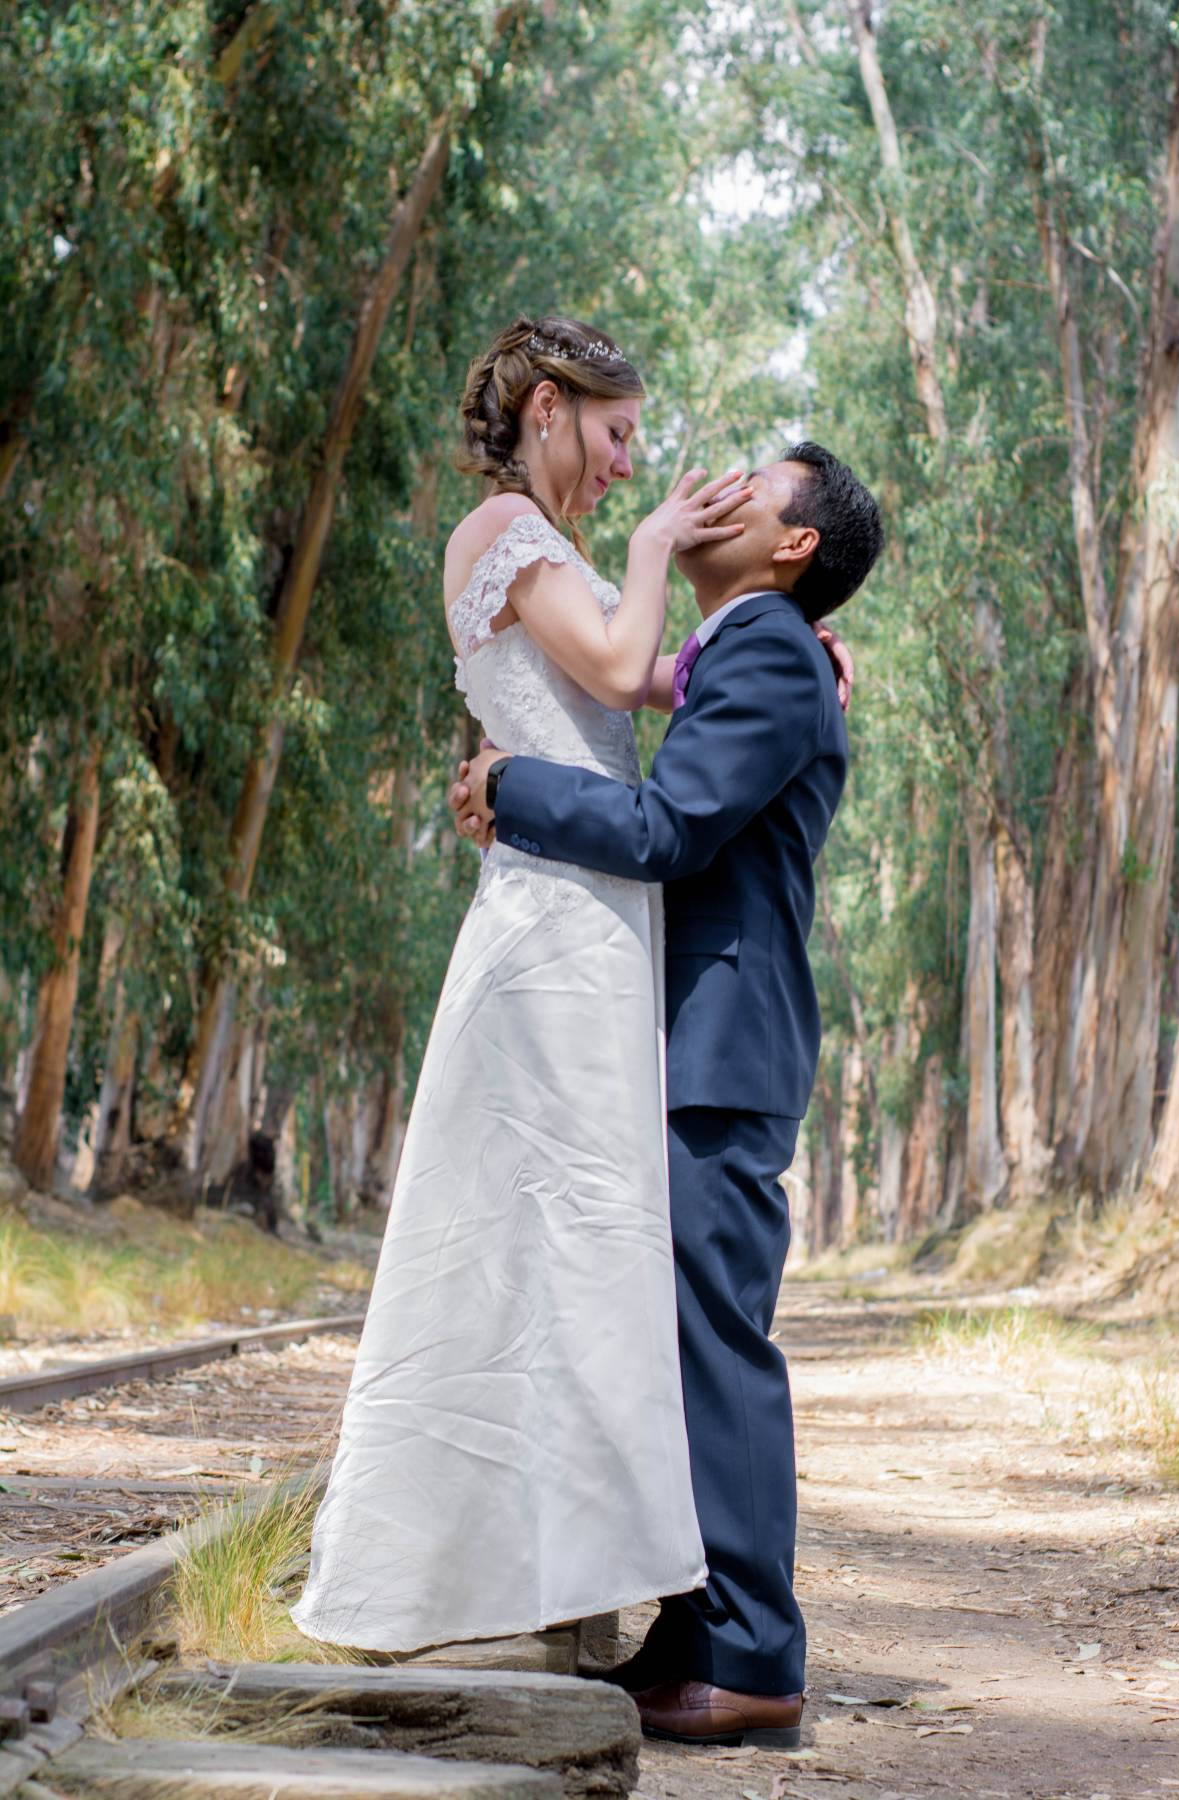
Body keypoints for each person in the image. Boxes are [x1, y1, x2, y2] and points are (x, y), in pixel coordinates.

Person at [290, 314, 770, 1657]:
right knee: (537, 1242)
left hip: (602, 919)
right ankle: (478, 1589)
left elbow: (645, 682)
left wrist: (773, 657)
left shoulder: (552, 556)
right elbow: (620, 665)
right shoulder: (498, 535)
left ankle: (565, 1587)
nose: (631, 463)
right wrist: (656, 549)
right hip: (551, 933)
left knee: (583, 1255)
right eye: (620, 434)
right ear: (552, 408)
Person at [452, 439, 883, 1748]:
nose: (719, 484)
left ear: (794, 544)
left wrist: (510, 787)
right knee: (679, 1340)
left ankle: (755, 1657)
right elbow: (668, 719)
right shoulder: (746, 651)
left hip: (721, 1044)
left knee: (715, 1342)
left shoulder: (766, 652)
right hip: (692, 1037)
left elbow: (668, 831)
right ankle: (697, 1629)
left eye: (756, 480)